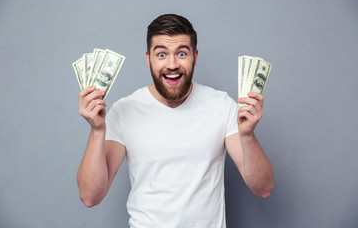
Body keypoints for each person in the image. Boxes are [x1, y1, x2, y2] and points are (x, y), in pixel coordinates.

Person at [77, 14, 274, 228]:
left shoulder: (222, 106)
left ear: (195, 57)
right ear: (148, 58)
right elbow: (90, 197)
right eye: (161, 54)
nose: (172, 64)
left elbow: (263, 188)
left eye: (181, 53)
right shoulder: (124, 111)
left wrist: (247, 135)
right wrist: (97, 131)